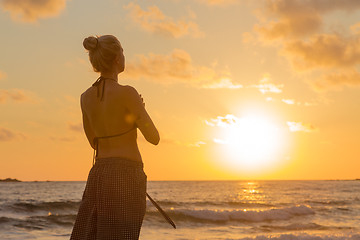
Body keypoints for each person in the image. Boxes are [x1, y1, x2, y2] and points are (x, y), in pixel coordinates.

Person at [70, 35, 160, 240]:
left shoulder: (85, 97)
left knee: (91, 235)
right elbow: (153, 137)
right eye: (123, 51)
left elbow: (93, 141)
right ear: (117, 59)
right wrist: (139, 112)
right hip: (126, 175)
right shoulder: (128, 93)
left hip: (99, 174)